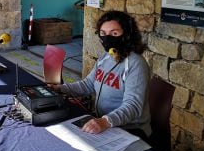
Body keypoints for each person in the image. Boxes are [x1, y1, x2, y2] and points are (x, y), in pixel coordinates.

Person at [51, 10, 151, 138]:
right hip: (103, 122)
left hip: (130, 129)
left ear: (127, 35)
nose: (107, 38)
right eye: (103, 34)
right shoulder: (105, 57)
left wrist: (105, 122)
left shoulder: (136, 64)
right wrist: (60, 89)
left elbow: (133, 106)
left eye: (114, 33)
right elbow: (88, 84)